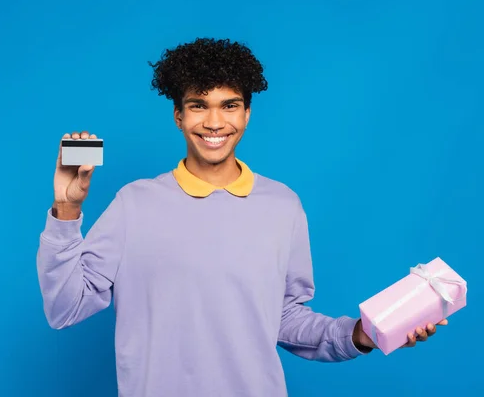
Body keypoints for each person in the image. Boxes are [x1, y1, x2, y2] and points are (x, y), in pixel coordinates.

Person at [36, 37, 447, 397]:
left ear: (247, 113)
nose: (214, 122)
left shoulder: (283, 205)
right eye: (199, 106)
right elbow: (65, 308)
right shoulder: (134, 204)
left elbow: (284, 317)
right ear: (178, 115)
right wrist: (67, 210)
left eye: (229, 105)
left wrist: (361, 333)